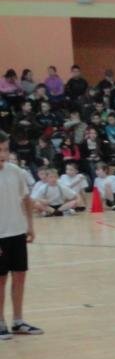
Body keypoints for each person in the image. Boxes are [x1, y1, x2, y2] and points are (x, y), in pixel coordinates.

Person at [0, 130, 42, 339]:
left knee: (20, 275)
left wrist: (30, 225)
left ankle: (18, 321)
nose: (3, 154)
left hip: (17, 232)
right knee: (0, 279)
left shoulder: (15, 171)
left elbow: (26, 198)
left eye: (6, 149)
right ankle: (0, 322)